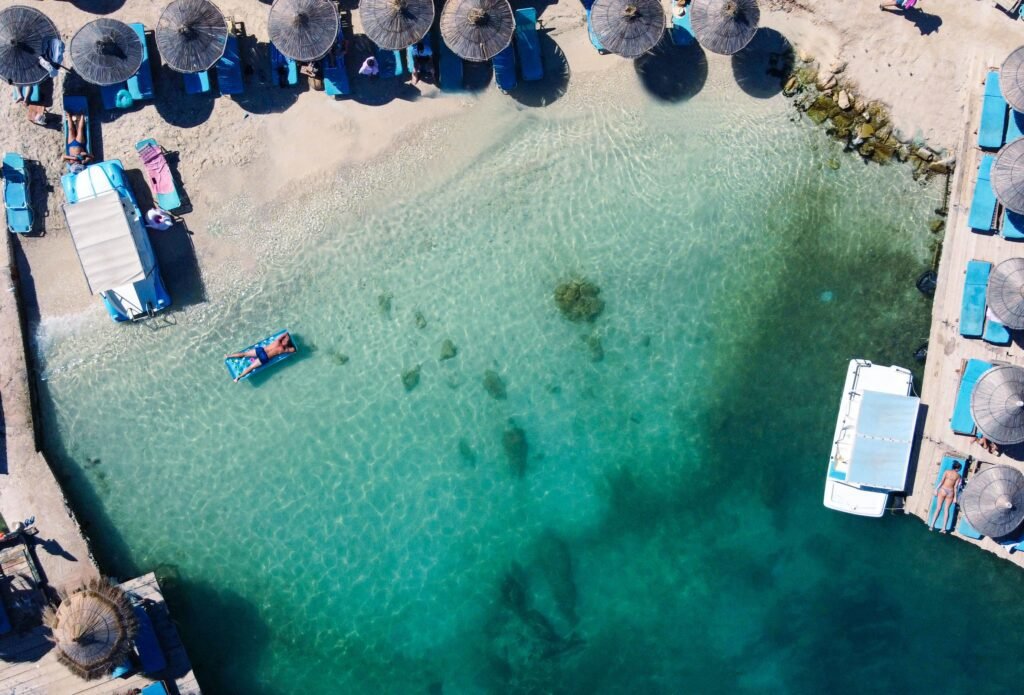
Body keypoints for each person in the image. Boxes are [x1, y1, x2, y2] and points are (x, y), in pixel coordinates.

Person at [225, 332, 296, 382]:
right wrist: (289, 343)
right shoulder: (284, 348)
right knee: (248, 361)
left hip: (261, 351)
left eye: (285, 341)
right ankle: (237, 376)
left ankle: (237, 374)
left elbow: (286, 334)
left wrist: (287, 337)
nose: (284, 341)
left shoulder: (278, 341)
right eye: (285, 340)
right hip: (263, 355)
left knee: (246, 357)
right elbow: (293, 350)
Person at [928, 460, 961, 532]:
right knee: (946, 510)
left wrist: (936, 489)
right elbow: (955, 487)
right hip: (950, 492)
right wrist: (955, 497)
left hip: (943, 489)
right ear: (958, 469)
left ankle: (932, 526)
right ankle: (944, 528)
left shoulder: (946, 472)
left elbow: (942, 481)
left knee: (938, 508)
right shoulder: (958, 476)